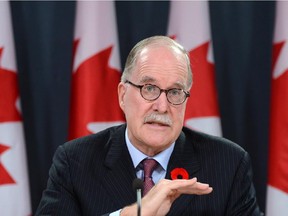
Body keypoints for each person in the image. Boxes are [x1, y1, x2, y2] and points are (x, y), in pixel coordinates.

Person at [36, 35, 263, 216]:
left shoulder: (228, 163)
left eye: (175, 92)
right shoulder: (75, 163)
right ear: (123, 95)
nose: (162, 106)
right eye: (150, 88)